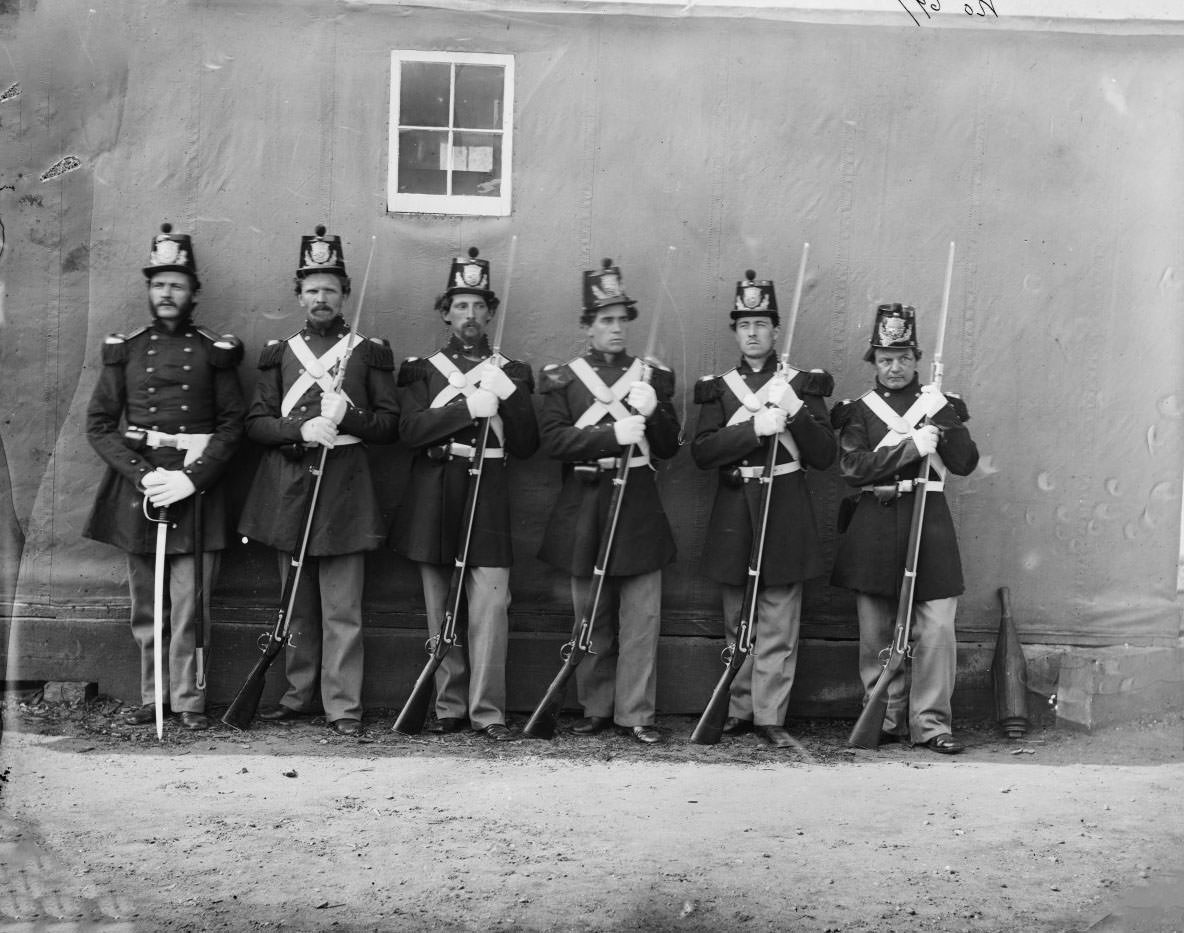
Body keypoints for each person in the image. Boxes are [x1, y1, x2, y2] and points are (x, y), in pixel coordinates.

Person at [237, 226, 399, 737]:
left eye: (330, 288)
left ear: (345, 293)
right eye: (312, 289)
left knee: (342, 608)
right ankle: (297, 695)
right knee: (296, 605)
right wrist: (300, 428)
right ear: (299, 295)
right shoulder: (278, 353)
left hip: (346, 493)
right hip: (289, 490)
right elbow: (255, 424)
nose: (321, 298)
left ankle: (342, 706)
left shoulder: (368, 352)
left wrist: (348, 416)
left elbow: (390, 426)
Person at [84, 223, 245, 731]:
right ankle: (153, 697)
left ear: (193, 291)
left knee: (191, 605)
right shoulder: (126, 349)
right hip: (143, 492)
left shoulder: (214, 350)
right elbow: (100, 425)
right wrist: (143, 475)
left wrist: (193, 479)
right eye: (158, 284)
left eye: (177, 284)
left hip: (197, 492)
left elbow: (231, 425)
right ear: (148, 290)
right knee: (147, 607)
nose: (167, 293)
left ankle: (190, 701)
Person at [391, 247, 538, 741]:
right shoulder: (422, 370)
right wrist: (465, 408)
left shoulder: (511, 371)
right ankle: (449, 705)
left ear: (490, 311)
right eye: (460, 306)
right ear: (446, 312)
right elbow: (409, 431)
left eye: (479, 306)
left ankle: (488, 710)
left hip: (490, 492)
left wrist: (509, 396)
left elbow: (528, 444)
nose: (470, 315)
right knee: (442, 606)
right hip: (437, 491)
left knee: (491, 606)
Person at [537, 258, 681, 745]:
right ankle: (595, 707)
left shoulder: (651, 378)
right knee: (590, 616)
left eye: (622, 319)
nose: (616, 328)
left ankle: (635, 712)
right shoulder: (564, 378)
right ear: (587, 326)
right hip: (586, 503)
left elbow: (668, 447)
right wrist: (610, 433)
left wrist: (654, 412)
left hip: (638, 504)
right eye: (605, 320)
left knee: (641, 619)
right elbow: (553, 441)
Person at [690, 271, 836, 748]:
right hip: (736, 508)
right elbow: (703, 452)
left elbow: (823, 456)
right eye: (744, 324)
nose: (753, 332)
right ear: (735, 331)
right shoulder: (719, 388)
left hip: (786, 505)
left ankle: (770, 715)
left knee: (778, 619)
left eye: (761, 323)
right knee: (739, 617)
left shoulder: (801, 384)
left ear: (775, 330)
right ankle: (736, 707)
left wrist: (793, 410)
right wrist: (754, 430)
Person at [830, 302, 979, 754]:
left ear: (916, 359)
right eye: (885, 359)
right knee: (876, 627)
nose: (895, 368)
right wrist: (912, 444)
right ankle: (885, 715)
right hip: (875, 522)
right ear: (874, 363)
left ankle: (931, 723)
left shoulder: (941, 404)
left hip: (928, 522)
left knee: (936, 627)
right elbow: (854, 467)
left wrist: (945, 421)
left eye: (903, 358)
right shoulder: (858, 411)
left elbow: (965, 463)